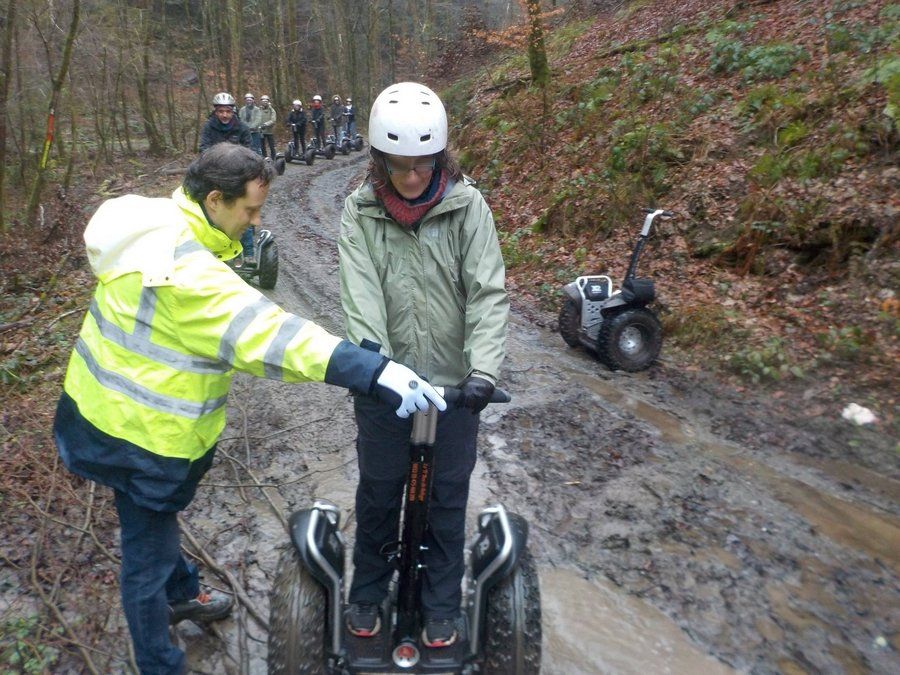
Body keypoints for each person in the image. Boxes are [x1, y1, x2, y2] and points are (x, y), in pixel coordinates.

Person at [53, 143, 446, 675]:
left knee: (152, 522)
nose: (257, 222)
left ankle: (184, 592)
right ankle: (159, 662)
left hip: (97, 411)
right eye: (251, 210)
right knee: (145, 560)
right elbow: (274, 337)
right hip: (140, 438)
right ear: (215, 200)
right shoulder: (187, 275)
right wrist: (375, 371)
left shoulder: (157, 223)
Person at [338, 82, 508, 648]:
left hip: (454, 388)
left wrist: (483, 372)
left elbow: (486, 292)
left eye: (422, 164)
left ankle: (440, 602)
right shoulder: (360, 211)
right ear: (378, 159)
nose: (411, 177)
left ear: (440, 156)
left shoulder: (468, 206)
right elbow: (360, 295)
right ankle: (368, 590)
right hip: (387, 387)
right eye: (398, 165)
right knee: (380, 490)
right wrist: (378, 369)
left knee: (446, 496)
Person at [258, 94, 277, 160]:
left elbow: (273, 120)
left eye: (266, 101)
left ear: (268, 102)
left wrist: (266, 124)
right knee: (262, 146)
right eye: (263, 101)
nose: (265, 102)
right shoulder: (258, 110)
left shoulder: (272, 110)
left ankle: (274, 158)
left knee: (272, 146)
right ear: (261, 102)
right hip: (261, 131)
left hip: (269, 131)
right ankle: (264, 158)